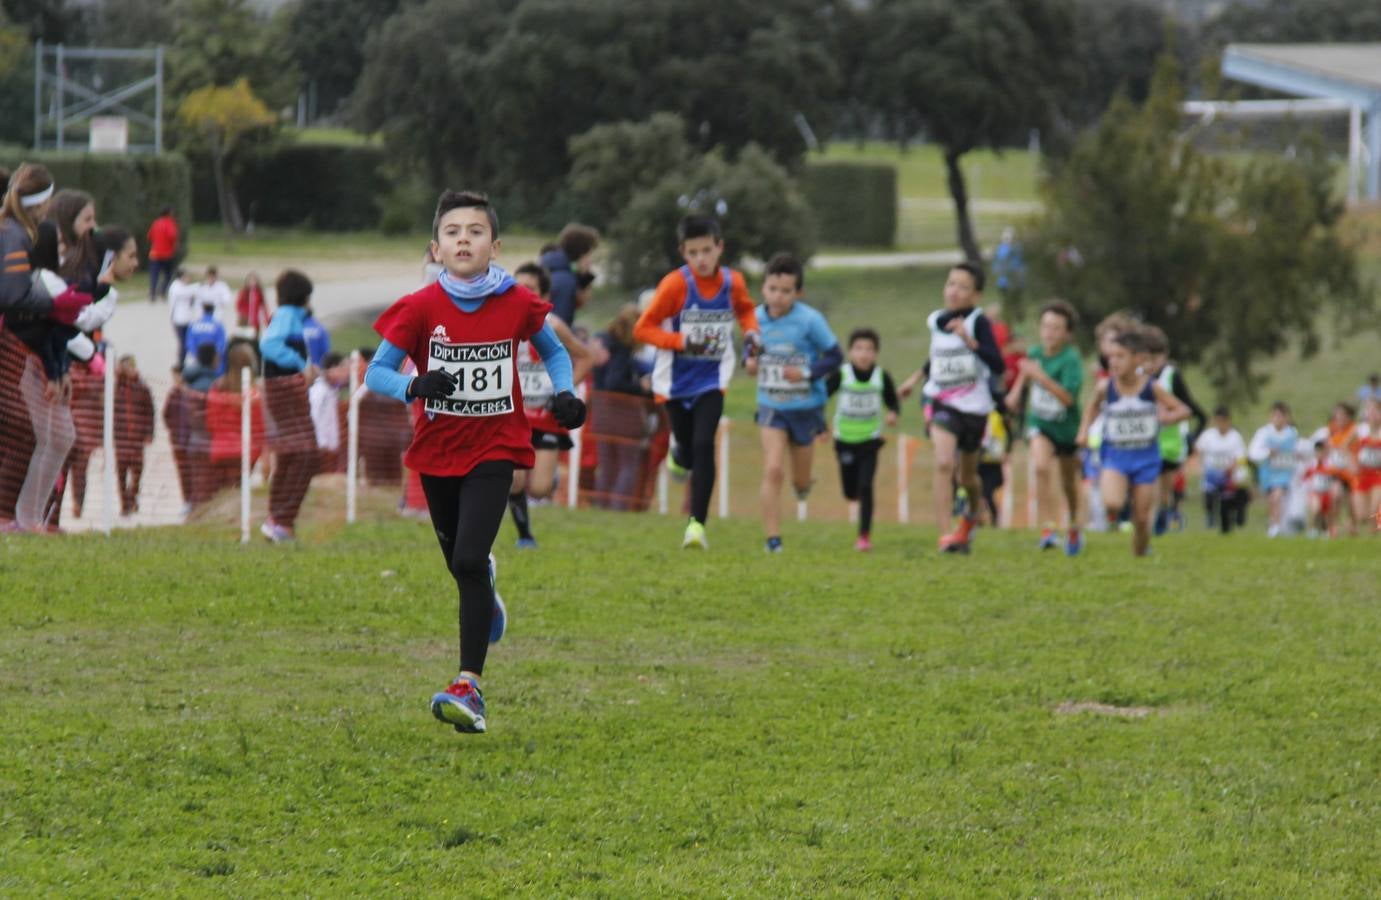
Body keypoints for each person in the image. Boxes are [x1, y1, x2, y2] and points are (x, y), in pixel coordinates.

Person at [364, 190, 584, 736]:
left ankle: (469, 687)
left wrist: (565, 393)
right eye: (454, 232)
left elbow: (556, 352)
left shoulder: (515, 301)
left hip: (496, 447)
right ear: (436, 248)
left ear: (495, 245)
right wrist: (415, 383)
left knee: (467, 558)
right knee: (462, 564)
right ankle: (486, 582)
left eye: (476, 231)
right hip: (437, 453)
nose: (465, 239)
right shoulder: (418, 308)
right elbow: (376, 373)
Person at [633, 213, 761, 550]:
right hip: (673, 382)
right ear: (683, 252)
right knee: (688, 451)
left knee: (705, 445)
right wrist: (680, 342)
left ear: (720, 247)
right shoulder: (676, 285)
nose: (701, 259)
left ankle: (696, 526)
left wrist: (751, 333)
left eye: (707, 250)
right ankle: (679, 454)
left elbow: (746, 310)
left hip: (712, 378)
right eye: (693, 253)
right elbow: (643, 328)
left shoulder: (734, 283)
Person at [898, 261, 1005, 554]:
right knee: (944, 463)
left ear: (976, 294)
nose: (954, 291)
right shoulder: (936, 320)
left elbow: (997, 364)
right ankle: (944, 535)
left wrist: (969, 341)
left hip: (975, 409)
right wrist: (914, 380)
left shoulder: (978, 323)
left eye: (963, 286)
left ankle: (972, 513)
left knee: (968, 478)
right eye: (951, 284)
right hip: (942, 402)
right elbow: (937, 358)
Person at [743, 252, 840, 553]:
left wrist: (807, 373)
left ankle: (803, 485)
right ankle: (773, 539)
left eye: (786, 291)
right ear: (764, 288)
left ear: (799, 292)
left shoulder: (810, 320)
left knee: (799, 480)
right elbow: (750, 353)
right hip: (772, 405)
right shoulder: (754, 319)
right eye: (773, 289)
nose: (778, 296)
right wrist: (750, 364)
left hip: (806, 406)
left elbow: (836, 357)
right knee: (773, 470)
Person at [1076, 330, 1190, 557]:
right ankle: (1120, 500)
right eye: (1111, 356)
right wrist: (1083, 433)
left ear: (1137, 359)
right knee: (1112, 503)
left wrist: (1166, 418)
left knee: (1141, 517)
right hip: (1116, 456)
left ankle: (1141, 551)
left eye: (1120, 356)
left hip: (1145, 457)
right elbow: (1091, 408)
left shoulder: (1151, 387)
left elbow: (1183, 409)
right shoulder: (1104, 387)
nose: (1114, 362)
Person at [507, 261, 593, 548]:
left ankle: (551, 477)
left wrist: (564, 392)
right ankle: (525, 535)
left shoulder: (554, 325)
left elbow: (585, 358)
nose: (520, 293)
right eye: (515, 287)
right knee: (514, 481)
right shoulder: (502, 323)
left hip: (545, 417)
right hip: (513, 417)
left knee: (541, 489)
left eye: (528, 289)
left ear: (543, 297)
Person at [1005, 300, 1084, 554]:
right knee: (1040, 467)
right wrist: (1015, 395)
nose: (1049, 332)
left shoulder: (1071, 360)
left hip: (1066, 429)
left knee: (1068, 482)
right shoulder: (1036, 353)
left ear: (1067, 334)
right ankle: (1048, 528)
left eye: (1056, 328)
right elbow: (1025, 375)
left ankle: (1073, 524)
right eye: (1046, 326)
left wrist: (1041, 377)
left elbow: (1068, 398)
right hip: (1040, 423)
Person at [258, 270, 324, 542]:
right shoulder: (286, 315)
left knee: (288, 454)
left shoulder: (290, 317)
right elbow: (269, 344)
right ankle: (281, 520)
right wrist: (301, 366)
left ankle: (277, 520)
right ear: (303, 296)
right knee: (306, 453)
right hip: (284, 391)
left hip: (282, 391)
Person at [825, 328, 899, 551]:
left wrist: (893, 413)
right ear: (850, 352)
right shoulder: (842, 374)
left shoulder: (881, 377)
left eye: (869, 349)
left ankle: (864, 537)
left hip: (870, 441)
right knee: (850, 491)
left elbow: (893, 402)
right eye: (859, 349)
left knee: (866, 486)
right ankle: (854, 492)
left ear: (876, 353)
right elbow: (822, 397)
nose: (863, 354)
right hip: (845, 440)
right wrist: (818, 424)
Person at [1141, 326, 1207, 535]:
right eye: (1146, 358)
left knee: (1165, 488)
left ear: (1165, 355)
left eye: (1155, 358)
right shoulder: (1136, 376)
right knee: (1147, 483)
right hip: (1146, 442)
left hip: (1171, 443)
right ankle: (1146, 521)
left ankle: (1162, 516)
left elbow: (1193, 411)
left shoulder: (1172, 376)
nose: (1150, 364)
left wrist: (1189, 436)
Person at [1247, 402, 1298, 537]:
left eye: (1281, 416)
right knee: (1271, 500)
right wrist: (1267, 452)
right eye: (1275, 416)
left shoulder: (1292, 433)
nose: (1278, 419)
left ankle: (1276, 527)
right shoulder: (1264, 433)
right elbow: (1252, 452)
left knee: (1277, 497)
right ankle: (1274, 524)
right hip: (1268, 474)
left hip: (1286, 474)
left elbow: (1299, 451)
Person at [113, 354, 155, 516]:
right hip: (121, 438)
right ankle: (125, 503)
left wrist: (149, 433)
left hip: (137, 437)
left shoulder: (143, 388)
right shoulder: (117, 388)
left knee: (137, 471)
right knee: (121, 473)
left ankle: (133, 496)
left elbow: (150, 412)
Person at [1196, 406, 1248, 534]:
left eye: (1223, 421)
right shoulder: (1208, 436)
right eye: (1218, 421)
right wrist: (1199, 467)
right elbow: (1197, 451)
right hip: (1211, 474)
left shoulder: (1235, 437)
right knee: (1208, 496)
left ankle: (1228, 525)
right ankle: (1210, 515)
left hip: (1229, 475)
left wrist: (1231, 469)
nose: (1220, 424)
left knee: (1227, 502)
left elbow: (1241, 457)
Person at [539, 224, 600, 325]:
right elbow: (558, 325)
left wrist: (585, 278)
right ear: (581, 253)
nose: (591, 260)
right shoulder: (565, 281)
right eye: (589, 254)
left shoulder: (551, 266)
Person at [1319, 403, 1360, 536]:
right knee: (1335, 496)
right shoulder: (1331, 429)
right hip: (1337, 472)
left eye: (1342, 415)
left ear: (1348, 417)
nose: (1339, 418)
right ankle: (1333, 527)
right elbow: (1327, 449)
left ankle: (1352, 527)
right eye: (1337, 414)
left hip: (1351, 473)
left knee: (1352, 504)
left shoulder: (1353, 429)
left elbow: (1344, 445)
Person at [310, 351, 349, 470]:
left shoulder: (332, 391)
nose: (346, 374)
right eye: (343, 368)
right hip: (322, 449)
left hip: (331, 449)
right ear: (332, 369)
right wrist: (321, 443)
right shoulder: (319, 391)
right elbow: (313, 417)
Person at [1353, 400, 1381, 532]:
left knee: (1374, 510)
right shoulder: (1360, 430)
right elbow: (1344, 447)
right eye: (1370, 411)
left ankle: (1373, 537)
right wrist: (1351, 464)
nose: (1373, 414)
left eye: (1376, 411)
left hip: (1378, 474)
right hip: (1362, 475)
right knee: (1362, 515)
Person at [1301, 440, 1337, 537]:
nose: (1320, 454)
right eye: (1318, 451)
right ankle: (1312, 529)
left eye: (1322, 451)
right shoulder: (1311, 464)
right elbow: (1304, 478)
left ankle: (1325, 531)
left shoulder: (1330, 464)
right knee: (1316, 508)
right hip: (1314, 492)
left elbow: (1334, 478)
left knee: (1325, 513)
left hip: (1326, 493)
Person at [146, 206, 179, 301]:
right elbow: (172, 236)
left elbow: (149, 236)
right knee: (168, 274)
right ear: (169, 213)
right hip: (167, 254)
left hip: (154, 253)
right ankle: (162, 291)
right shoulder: (170, 223)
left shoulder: (156, 223)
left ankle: (152, 293)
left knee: (154, 274)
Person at [185, 300, 227, 375]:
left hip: (197, 361)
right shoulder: (218, 325)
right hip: (214, 364)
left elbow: (189, 343)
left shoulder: (194, 325)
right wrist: (215, 357)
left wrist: (197, 355)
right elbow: (221, 344)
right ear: (213, 311)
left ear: (203, 310)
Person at [168, 269, 198, 366]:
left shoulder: (185, 286)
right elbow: (185, 293)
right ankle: (181, 363)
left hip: (187, 320)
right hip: (179, 320)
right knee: (183, 343)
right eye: (187, 276)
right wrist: (197, 287)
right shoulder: (176, 286)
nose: (189, 279)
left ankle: (183, 362)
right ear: (181, 277)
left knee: (186, 343)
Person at [236, 272, 269, 339]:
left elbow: (264, 307)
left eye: (254, 281)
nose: (252, 282)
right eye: (250, 280)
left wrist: (267, 320)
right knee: (243, 339)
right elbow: (238, 305)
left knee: (255, 339)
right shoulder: (243, 292)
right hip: (244, 321)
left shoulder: (259, 292)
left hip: (255, 322)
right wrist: (244, 314)